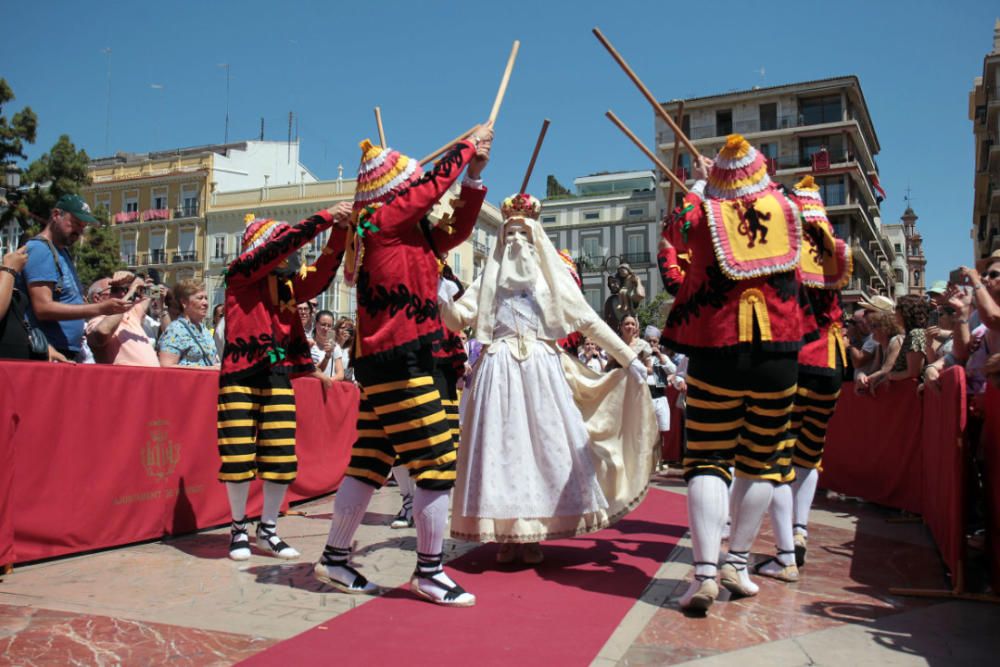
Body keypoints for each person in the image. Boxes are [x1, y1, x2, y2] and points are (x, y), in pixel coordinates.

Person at [314, 123, 493, 607]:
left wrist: (474, 175)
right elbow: (431, 184)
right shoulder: (385, 217)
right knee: (436, 463)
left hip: (391, 359)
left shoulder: (405, 230)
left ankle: (334, 557)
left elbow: (457, 229)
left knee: (370, 462)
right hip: (399, 360)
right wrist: (467, 146)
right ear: (398, 192)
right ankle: (430, 572)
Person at [439, 192, 657, 565]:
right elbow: (458, 319)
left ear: (537, 238)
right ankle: (508, 534)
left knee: (543, 452)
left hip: (542, 371)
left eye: (524, 235)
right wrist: (442, 298)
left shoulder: (550, 282)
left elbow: (589, 320)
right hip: (498, 372)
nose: (516, 242)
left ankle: (535, 531)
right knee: (503, 452)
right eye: (509, 236)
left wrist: (627, 357)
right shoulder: (488, 280)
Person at [657, 136, 816, 613]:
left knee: (707, 458)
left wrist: (704, 183)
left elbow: (674, 231)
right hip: (779, 349)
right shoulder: (789, 206)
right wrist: (724, 182)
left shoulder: (702, 208)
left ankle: (705, 572)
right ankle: (738, 562)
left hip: (716, 345)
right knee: (764, 460)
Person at [217, 203, 353, 561]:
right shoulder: (240, 271)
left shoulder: (287, 286)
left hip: (276, 373)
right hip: (240, 374)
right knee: (237, 455)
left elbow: (322, 275)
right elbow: (285, 244)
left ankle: (268, 530)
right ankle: (237, 529)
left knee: (280, 455)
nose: (293, 254)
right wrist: (325, 217)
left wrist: (339, 231)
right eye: (284, 247)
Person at [760, 175, 851, 582]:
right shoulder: (834, 250)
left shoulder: (791, 249)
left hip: (798, 358)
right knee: (811, 454)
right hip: (831, 361)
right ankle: (800, 530)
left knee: (780, 452)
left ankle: (784, 553)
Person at [19, 194, 131, 359]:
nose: (79, 231)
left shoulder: (62, 252)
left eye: (83, 226)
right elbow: (43, 308)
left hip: (66, 349)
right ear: (56, 215)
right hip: (49, 350)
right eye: (76, 223)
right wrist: (99, 308)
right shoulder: (40, 250)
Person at [85, 271, 159, 366]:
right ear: (97, 298)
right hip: (126, 379)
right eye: (114, 290)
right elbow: (103, 332)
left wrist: (134, 278)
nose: (122, 293)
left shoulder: (131, 314)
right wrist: (131, 291)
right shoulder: (95, 321)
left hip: (151, 377)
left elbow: (155, 292)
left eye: (124, 289)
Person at [158, 280, 220, 369]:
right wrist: (205, 369)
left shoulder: (204, 329)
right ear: (184, 303)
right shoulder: (176, 330)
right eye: (200, 298)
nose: (205, 303)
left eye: (206, 298)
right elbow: (166, 366)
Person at [311, 310, 344, 381]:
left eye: (329, 326)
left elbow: (340, 374)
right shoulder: (309, 344)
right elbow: (311, 371)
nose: (326, 328)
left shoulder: (335, 347)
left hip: (328, 388)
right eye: (323, 324)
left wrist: (328, 381)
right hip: (310, 387)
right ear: (316, 324)